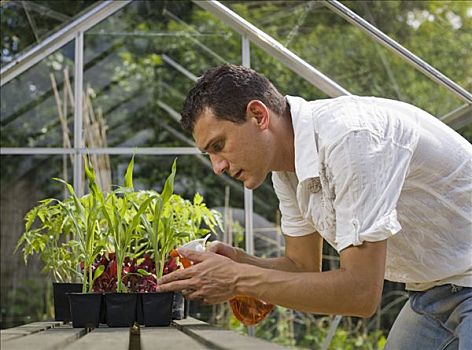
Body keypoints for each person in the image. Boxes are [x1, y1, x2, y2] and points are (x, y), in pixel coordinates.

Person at [156, 64, 472, 348]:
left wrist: (237, 278)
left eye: (218, 146)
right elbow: (302, 267)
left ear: (258, 115)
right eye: (208, 153)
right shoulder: (287, 169)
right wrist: (240, 263)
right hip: (434, 289)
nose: (217, 166)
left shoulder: (351, 141)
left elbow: (360, 294)